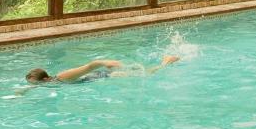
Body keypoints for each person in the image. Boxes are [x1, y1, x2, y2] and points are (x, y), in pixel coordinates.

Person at [25, 55, 179, 84]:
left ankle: (166, 62)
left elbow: (89, 66)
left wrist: (106, 62)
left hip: (107, 75)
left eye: (35, 85)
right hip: (102, 76)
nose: (34, 87)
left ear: (44, 79)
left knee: (145, 74)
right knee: (140, 71)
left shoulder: (62, 77)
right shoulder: (51, 82)